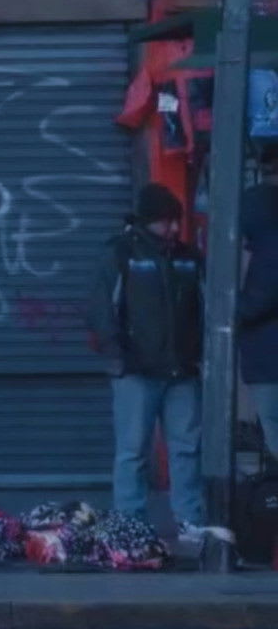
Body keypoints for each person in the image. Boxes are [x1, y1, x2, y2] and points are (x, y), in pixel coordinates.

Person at [88, 185, 207, 546]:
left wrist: (200, 356)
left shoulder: (188, 257)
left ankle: (190, 522)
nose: (174, 228)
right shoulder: (121, 252)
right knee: (133, 452)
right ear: (147, 220)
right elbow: (101, 309)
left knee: (186, 450)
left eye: (176, 221)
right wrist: (119, 358)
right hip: (136, 372)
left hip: (182, 371)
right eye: (166, 221)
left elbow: (204, 307)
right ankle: (130, 525)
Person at [238, 183, 278, 456]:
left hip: (269, 362)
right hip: (268, 361)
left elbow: (256, 303)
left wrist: (227, 309)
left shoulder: (269, 250)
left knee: (273, 426)